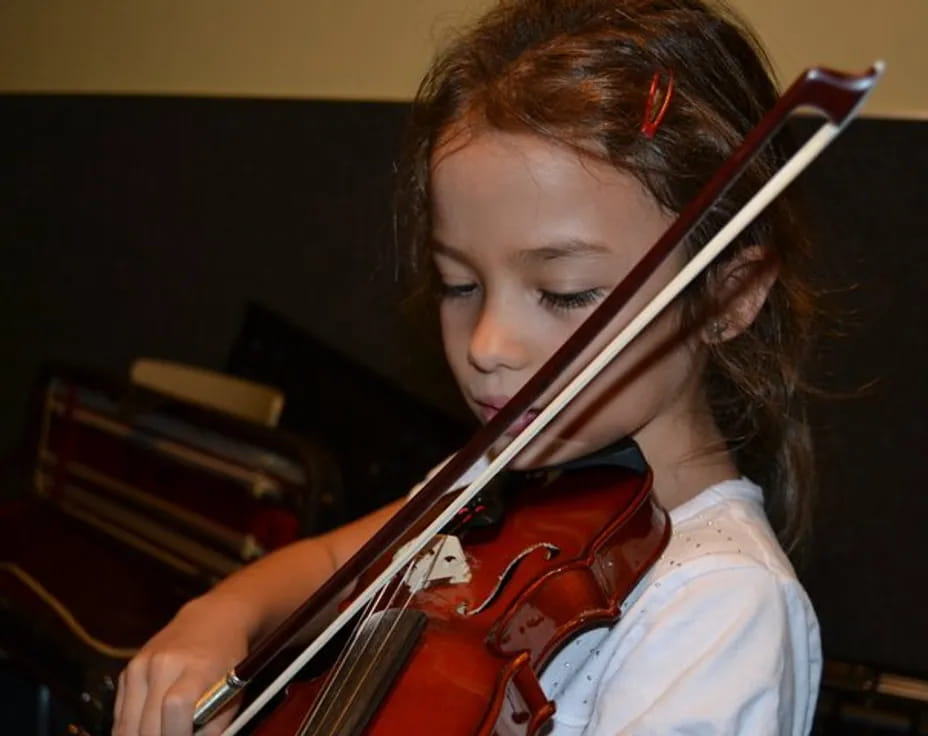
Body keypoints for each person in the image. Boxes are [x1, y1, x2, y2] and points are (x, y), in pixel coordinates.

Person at [112, 0, 824, 733]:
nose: (487, 343)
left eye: (563, 292)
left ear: (731, 297)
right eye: (460, 284)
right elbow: (331, 561)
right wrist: (216, 616)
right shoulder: (504, 495)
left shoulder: (722, 607)